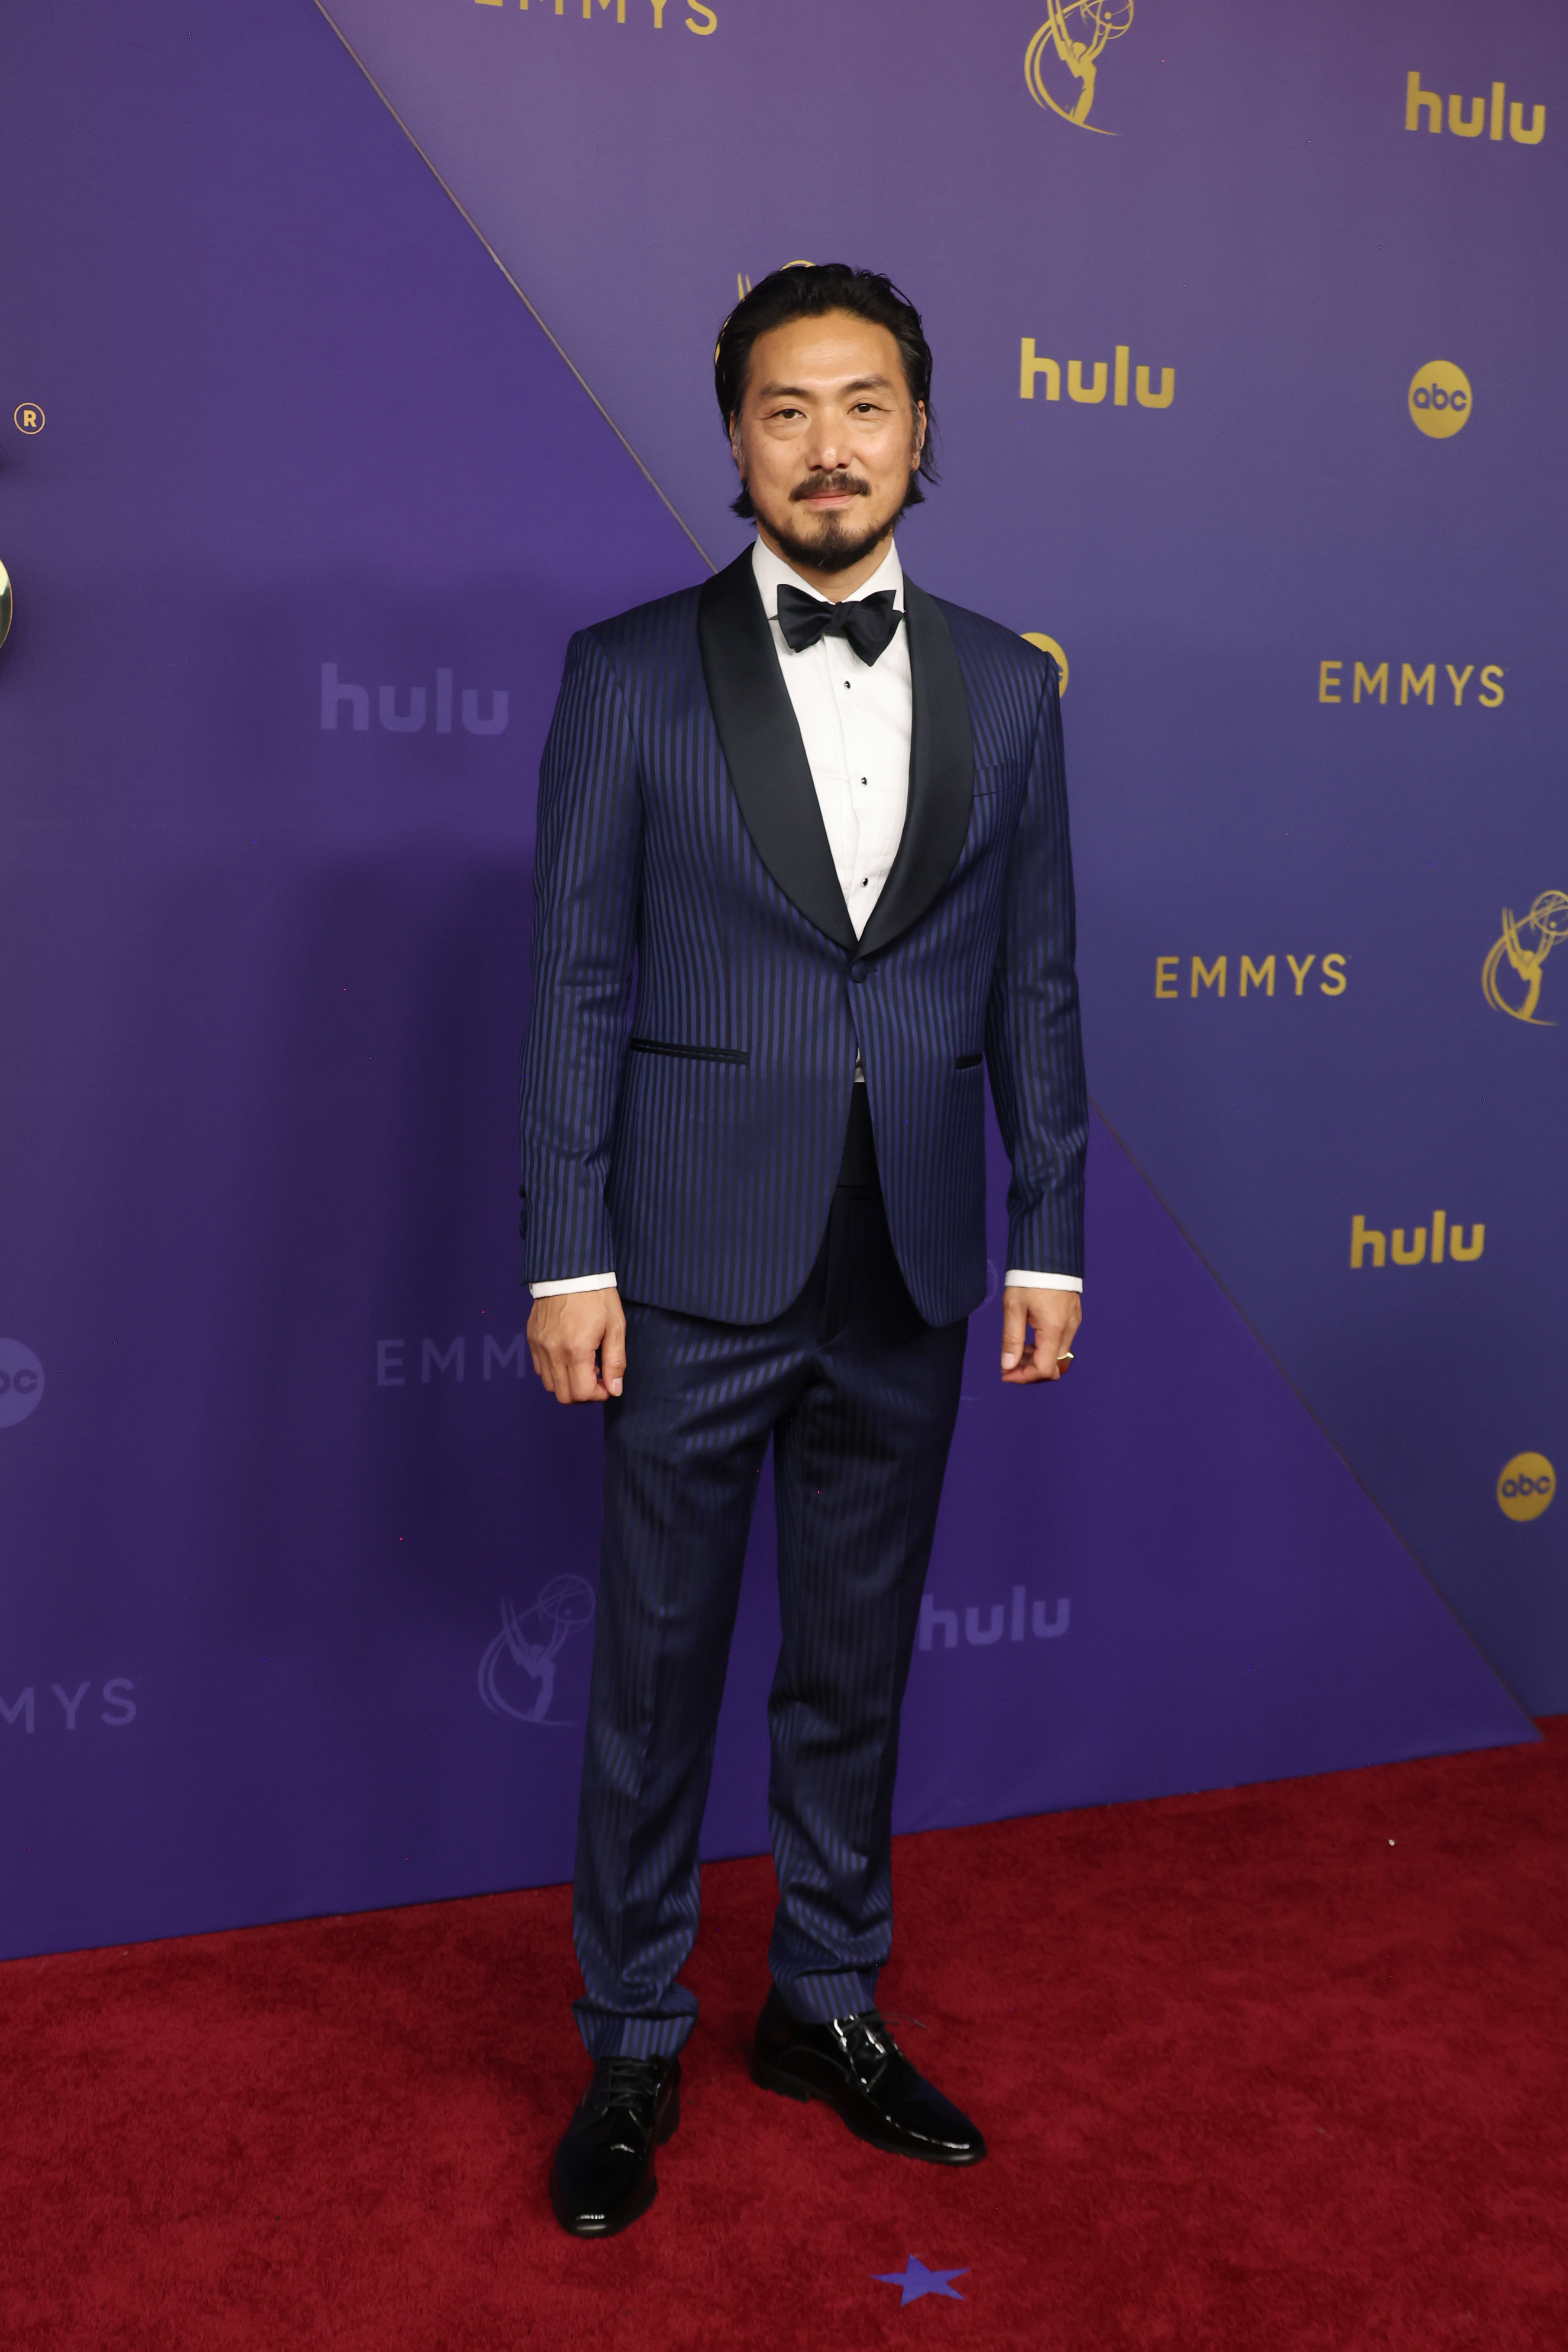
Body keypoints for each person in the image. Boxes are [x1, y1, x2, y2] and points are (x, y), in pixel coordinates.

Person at [519, 263, 1087, 2238]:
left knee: (850, 1669)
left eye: (864, 407)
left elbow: (1036, 984)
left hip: (916, 1257)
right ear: (734, 436)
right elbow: (575, 986)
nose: (827, 445)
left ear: (924, 433)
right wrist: (562, 1253)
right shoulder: (622, 674)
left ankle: (823, 2004)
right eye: (785, 409)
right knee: (657, 1670)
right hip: (679, 1253)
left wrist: (1053, 1237)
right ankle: (629, 2032)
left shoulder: (1012, 684)